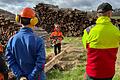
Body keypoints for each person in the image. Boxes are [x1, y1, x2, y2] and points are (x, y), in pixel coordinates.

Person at [5, 7, 46, 80]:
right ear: (33, 21)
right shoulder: (39, 41)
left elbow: (10, 61)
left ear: (18, 19)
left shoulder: (11, 40)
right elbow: (40, 64)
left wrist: (20, 76)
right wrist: (30, 77)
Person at [82, 3, 120, 80]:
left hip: (92, 72)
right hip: (109, 72)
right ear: (110, 14)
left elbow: (86, 48)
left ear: (97, 15)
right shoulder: (117, 31)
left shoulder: (88, 31)